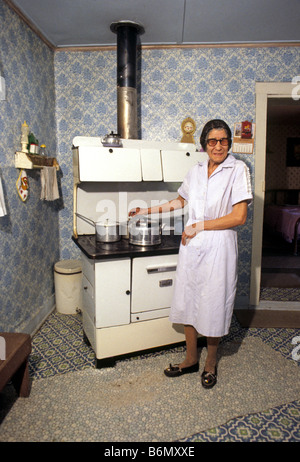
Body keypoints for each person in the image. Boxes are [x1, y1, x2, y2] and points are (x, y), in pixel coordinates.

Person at [129, 119, 252, 389]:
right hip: (192, 247)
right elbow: (179, 201)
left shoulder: (238, 169)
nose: (218, 146)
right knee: (188, 300)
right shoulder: (195, 171)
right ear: (203, 145)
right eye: (212, 141)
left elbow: (239, 216)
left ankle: (211, 362)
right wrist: (144, 211)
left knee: (213, 303)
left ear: (229, 143)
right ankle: (190, 359)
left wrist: (200, 225)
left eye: (223, 140)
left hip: (219, 247)